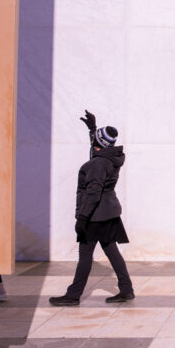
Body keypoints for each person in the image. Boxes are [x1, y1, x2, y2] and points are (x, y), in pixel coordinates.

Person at [50, 111, 134, 306]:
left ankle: (73, 295)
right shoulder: (110, 157)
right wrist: (92, 130)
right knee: (112, 251)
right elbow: (97, 151)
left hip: (95, 215)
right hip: (109, 212)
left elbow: (93, 193)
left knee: (85, 255)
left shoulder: (98, 165)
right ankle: (126, 289)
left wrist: (82, 218)